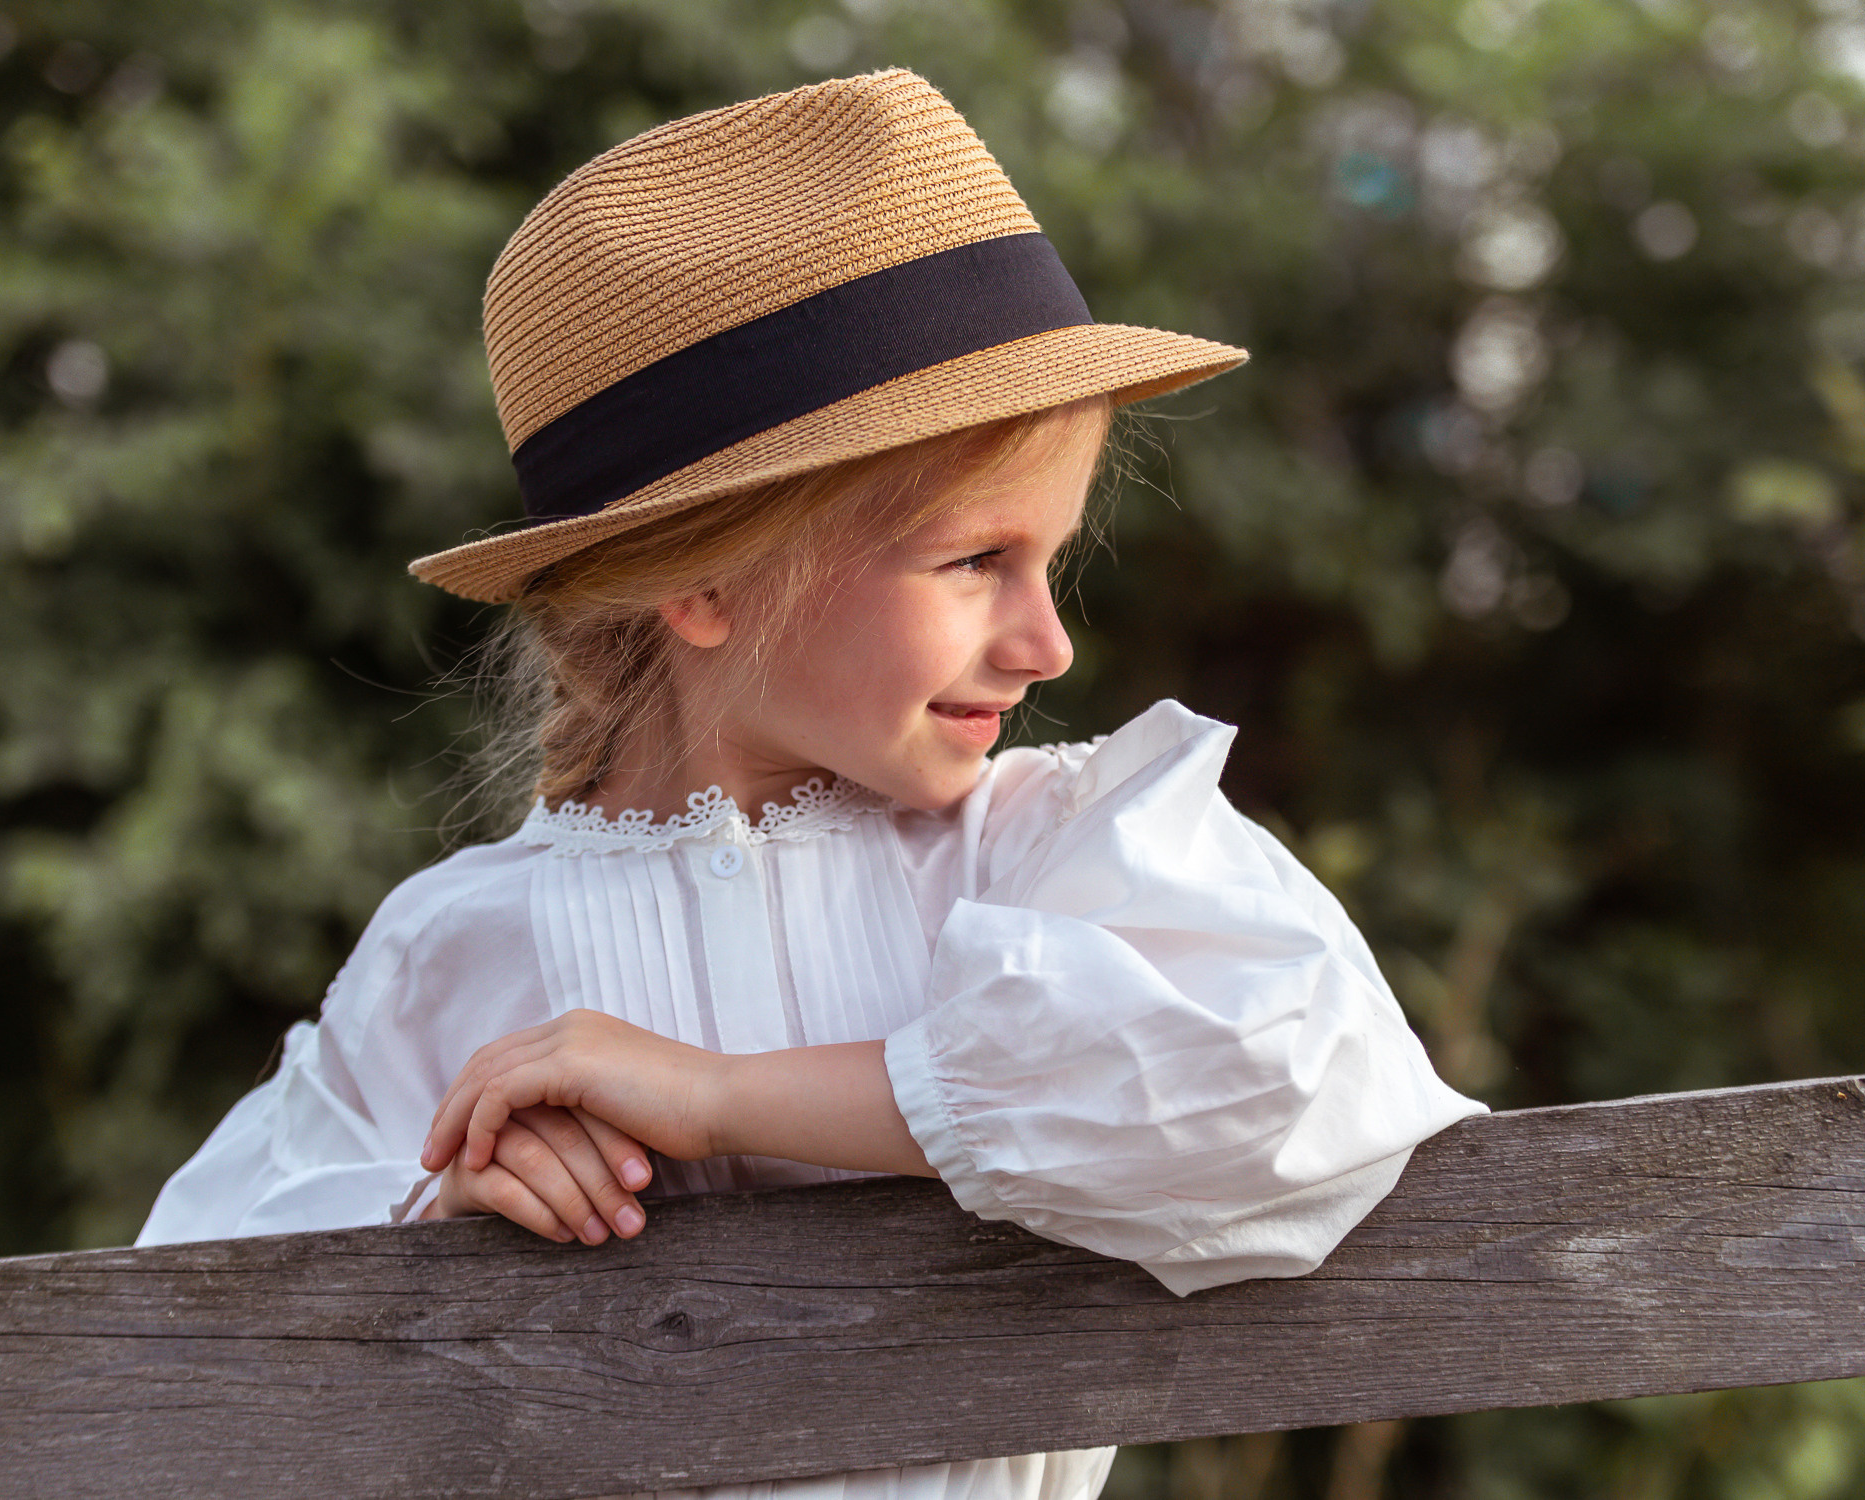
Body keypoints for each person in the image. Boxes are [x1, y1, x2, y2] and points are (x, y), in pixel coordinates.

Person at [139, 67, 1484, 1498]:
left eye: (1051, 559)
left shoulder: (1052, 860)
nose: (1046, 641)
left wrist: (720, 1098)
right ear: (707, 582)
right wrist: (430, 1227)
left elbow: (1283, 1081)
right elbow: (175, 1339)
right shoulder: (450, 954)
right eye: (977, 561)